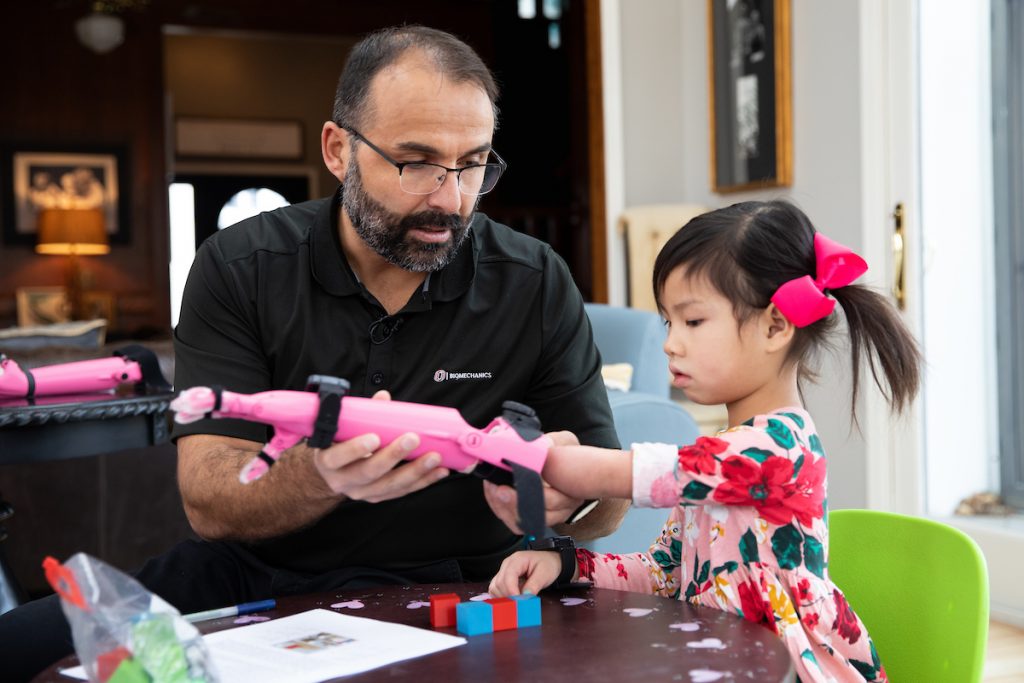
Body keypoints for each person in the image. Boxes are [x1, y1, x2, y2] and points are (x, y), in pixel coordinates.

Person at [0, 25, 628, 680]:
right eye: (415, 162)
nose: (450, 198)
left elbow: (608, 500)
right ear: (338, 150)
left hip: (476, 581)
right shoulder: (240, 267)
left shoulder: (533, 277)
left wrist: (572, 495)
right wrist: (318, 474)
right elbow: (208, 498)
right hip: (256, 572)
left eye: (473, 164)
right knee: (19, 651)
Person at [489, 200, 923, 683]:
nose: (670, 343)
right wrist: (565, 562)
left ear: (775, 326)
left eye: (693, 322)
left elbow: (641, 473)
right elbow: (663, 573)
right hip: (720, 661)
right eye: (668, 322)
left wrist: (547, 459)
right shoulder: (719, 455)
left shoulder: (778, 447)